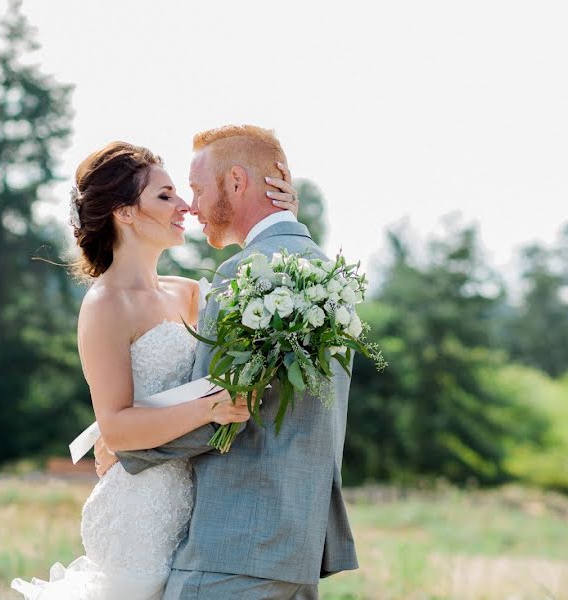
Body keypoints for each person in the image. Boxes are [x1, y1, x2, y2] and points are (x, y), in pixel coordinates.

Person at [11, 139, 299, 600]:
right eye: (165, 196)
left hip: (199, 510)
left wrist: (281, 216)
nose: (185, 205)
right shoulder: (106, 305)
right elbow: (119, 429)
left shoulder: (188, 292)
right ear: (124, 213)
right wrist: (212, 407)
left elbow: (274, 309)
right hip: (139, 517)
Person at [99, 125, 358, 600]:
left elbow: (221, 408)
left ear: (236, 183)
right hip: (300, 548)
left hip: (233, 547)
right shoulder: (325, 275)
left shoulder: (243, 277)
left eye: (196, 189)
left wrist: (122, 445)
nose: (190, 206)